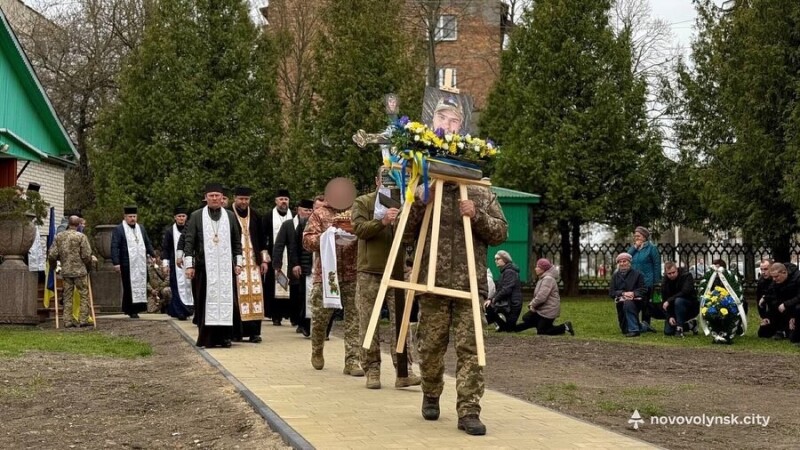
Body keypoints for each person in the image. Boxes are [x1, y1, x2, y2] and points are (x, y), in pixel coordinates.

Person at [406, 139, 508, 435]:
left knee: (471, 348)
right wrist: (418, 203)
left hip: (470, 285)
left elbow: (501, 232)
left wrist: (477, 215)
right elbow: (403, 231)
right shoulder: (425, 188)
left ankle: (469, 410)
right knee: (430, 347)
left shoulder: (481, 192)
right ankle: (431, 391)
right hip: (433, 284)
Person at [351, 167, 420, 390]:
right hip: (370, 271)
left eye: (396, 178)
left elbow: (414, 234)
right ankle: (372, 369)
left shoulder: (407, 202)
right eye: (387, 178)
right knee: (369, 322)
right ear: (377, 180)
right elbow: (358, 229)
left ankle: (404, 371)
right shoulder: (364, 202)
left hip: (398, 272)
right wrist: (382, 222)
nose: (391, 183)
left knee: (401, 323)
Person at [303, 178, 363, 376]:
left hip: (352, 273)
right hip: (326, 274)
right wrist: (327, 236)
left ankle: (352, 361)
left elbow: (366, 232)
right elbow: (307, 240)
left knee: (354, 318)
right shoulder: (320, 214)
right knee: (320, 317)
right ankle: (317, 349)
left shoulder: (356, 211)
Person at [183, 183, 244, 348]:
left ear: (222, 198)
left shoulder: (230, 216)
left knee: (227, 302)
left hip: (225, 269)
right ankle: (208, 338)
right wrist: (189, 265)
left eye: (218, 195)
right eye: (211, 196)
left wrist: (238, 263)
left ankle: (225, 337)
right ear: (206, 198)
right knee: (205, 302)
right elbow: (189, 242)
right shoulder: (196, 216)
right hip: (204, 268)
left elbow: (237, 242)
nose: (215, 198)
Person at [231, 186, 267, 343]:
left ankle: (254, 333)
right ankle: (237, 332)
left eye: (246, 199)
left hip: (253, 263)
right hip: (236, 263)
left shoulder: (256, 215)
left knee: (256, 297)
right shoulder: (229, 214)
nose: (244, 202)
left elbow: (263, 239)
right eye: (241, 199)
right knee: (237, 297)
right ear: (235, 198)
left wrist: (264, 260)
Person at [273, 197, 311, 334]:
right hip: (293, 264)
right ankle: (296, 319)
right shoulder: (288, 224)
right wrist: (277, 265)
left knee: (304, 294)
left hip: (307, 265)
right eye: (306, 210)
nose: (308, 213)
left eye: (310, 210)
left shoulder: (313, 225)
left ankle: (302, 322)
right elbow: (279, 245)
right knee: (296, 293)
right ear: (298, 210)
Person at [47, 216, 93, 328]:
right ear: (78, 224)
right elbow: (86, 255)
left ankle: (67, 320)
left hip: (66, 271)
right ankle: (83, 319)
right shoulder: (81, 236)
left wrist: (53, 266)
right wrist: (88, 266)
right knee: (83, 295)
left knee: (67, 296)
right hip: (80, 271)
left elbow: (52, 254)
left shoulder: (59, 236)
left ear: (68, 223)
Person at [111, 205, 155, 319]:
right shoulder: (119, 229)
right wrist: (116, 263)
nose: (132, 219)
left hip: (140, 262)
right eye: (130, 216)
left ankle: (138, 308)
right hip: (127, 263)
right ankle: (131, 310)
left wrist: (152, 254)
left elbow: (147, 242)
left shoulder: (141, 228)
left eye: (134, 216)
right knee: (129, 286)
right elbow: (114, 246)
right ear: (125, 217)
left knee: (141, 284)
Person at [514, 258, 574, 335]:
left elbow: (541, 297)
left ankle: (565, 327)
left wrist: (532, 304)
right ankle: (515, 329)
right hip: (542, 309)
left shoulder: (548, 279)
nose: (535, 269)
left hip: (548, 311)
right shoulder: (543, 278)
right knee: (527, 318)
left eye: (537, 267)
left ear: (543, 269)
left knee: (542, 331)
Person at [261, 189, 293, 326]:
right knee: (273, 286)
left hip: (290, 256)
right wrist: (265, 256)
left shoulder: (294, 216)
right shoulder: (268, 217)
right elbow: (263, 237)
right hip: (274, 256)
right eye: (281, 199)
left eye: (286, 199)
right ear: (276, 201)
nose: (283, 202)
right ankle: (276, 315)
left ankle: (290, 313)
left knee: (290, 285)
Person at [162, 206, 194, 320]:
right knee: (177, 287)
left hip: (190, 263)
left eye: (183, 216)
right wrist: (165, 264)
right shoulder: (170, 231)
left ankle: (190, 309)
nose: (181, 218)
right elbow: (166, 248)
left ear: (186, 217)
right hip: (175, 264)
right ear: (175, 217)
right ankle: (180, 311)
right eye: (179, 216)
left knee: (190, 287)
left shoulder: (191, 228)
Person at [628, 226, 661, 332]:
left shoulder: (652, 248)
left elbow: (656, 265)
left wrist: (656, 282)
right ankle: (635, 323)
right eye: (635, 236)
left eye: (638, 236)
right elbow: (626, 257)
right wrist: (634, 247)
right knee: (635, 303)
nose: (636, 238)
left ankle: (645, 324)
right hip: (634, 281)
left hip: (647, 281)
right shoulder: (634, 249)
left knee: (645, 304)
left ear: (644, 237)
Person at [609, 252, 647, 337]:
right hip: (620, 302)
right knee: (625, 330)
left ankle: (634, 330)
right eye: (620, 262)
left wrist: (633, 293)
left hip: (635, 302)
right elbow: (611, 292)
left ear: (629, 262)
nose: (622, 264)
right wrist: (623, 293)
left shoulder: (638, 274)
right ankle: (643, 326)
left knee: (628, 303)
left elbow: (643, 289)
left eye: (624, 261)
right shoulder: (615, 276)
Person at [484, 250, 523, 332]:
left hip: (512, 304)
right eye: (495, 259)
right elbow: (499, 289)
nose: (496, 261)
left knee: (510, 329)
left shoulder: (509, 272)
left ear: (505, 259)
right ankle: (501, 325)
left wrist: (494, 299)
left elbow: (507, 289)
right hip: (507, 303)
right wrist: (490, 299)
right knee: (488, 306)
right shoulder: (504, 272)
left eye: (498, 259)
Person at [660, 261, 698, 337]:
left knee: (678, 301)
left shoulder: (686, 276)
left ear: (677, 270)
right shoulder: (665, 282)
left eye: (673, 272)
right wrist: (670, 316)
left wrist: (669, 300)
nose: (672, 275)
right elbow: (664, 302)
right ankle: (690, 325)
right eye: (669, 273)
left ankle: (679, 328)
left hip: (689, 305)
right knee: (668, 332)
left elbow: (685, 292)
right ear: (666, 273)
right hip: (673, 308)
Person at [764, 263, 800, 342]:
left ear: (784, 272)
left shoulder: (797, 278)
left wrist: (787, 306)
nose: (774, 279)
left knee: (794, 338)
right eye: (773, 277)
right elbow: (770, 294)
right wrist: (764, 298)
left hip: (795, 307)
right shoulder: (775, 282)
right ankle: (781, 329)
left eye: (776, 276)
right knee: (763, 332)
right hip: (784, 308)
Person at [757, 259, 776, 338]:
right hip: (769, 311)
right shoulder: (761, 281)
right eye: (761, 269)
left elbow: (778, 296)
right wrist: (764, 317)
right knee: (762, 333)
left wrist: (765, 297)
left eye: (765, 269)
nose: (763, 272)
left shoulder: (777, 279)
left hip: (778, 308)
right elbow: (759, 301)